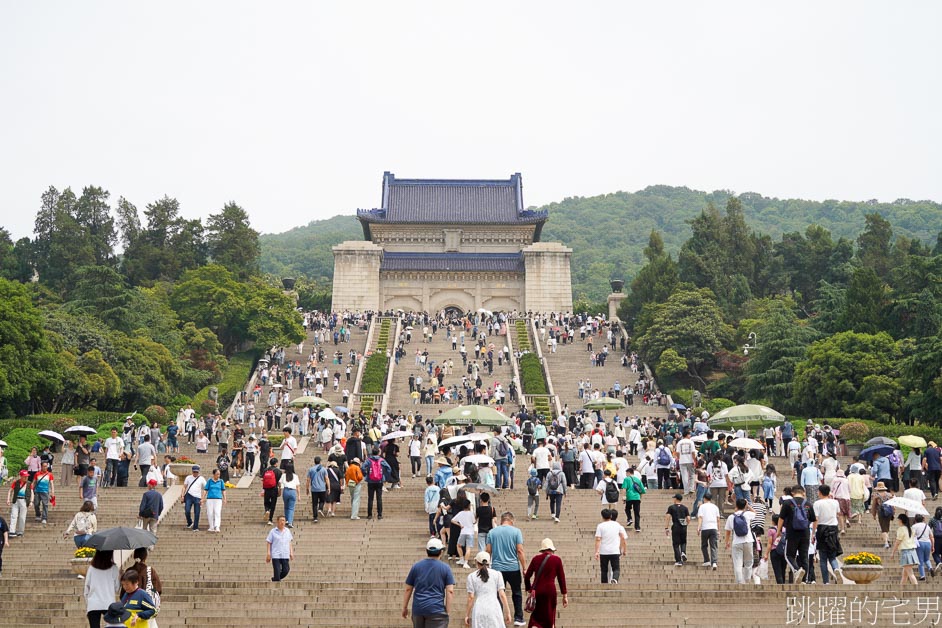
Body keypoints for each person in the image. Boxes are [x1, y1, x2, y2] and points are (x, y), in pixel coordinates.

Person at [402, 538, 456, 628]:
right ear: (441, 552)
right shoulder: (446, 568)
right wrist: (447, 611)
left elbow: (408, 589)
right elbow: (450, 591)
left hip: (418, 609)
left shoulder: (416, 566)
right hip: (437, 609)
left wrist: (405, 607)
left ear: (427, 551)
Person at [486, 512, 526, 627]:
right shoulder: (516, 531)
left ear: (501, 520)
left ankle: (498, 618)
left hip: (497, 569)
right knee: (517, 592)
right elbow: (520, 550)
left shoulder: (492, 532)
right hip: (513, 567)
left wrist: (486, 566)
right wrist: (524, 567)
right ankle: (518, 617)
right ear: (512, 521)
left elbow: (488, 550)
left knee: (498, 594)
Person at [524, 538, 567, 628]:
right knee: (550, 613)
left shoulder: (535, 559)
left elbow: (527, 576)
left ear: (542, 549)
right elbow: (561, 578)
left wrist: (529, 588)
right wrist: (564, 595)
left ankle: (535, 625)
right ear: (552, 549)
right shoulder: (557, 560)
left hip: (537, 590)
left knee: (536, 615)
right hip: (550, 590)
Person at [776, 485, 815, 583]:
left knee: (789, 555)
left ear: (792, 493)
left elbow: (781, 518)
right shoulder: (809, 504)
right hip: (805, 534)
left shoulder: (787, 503)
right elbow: (814, 520)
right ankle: (805, 580)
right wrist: (813, 533)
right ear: (803, 493)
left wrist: (778, 531)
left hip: (792, 533)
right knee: (804, 557)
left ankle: (797, 570)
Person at [464, 551, 511, 628]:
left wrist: (467, 615)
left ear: (476, 562)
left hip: (479, 608)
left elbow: (471, 597)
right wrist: (508, 612)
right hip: (494, 607)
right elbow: (502, 594)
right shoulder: (497, 574)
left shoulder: (471, 576)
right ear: (489, 562)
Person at [813, 485, 843, 585]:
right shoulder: (835, 502)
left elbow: (816, 519)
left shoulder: (817, 503)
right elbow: (839, 514)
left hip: (822, 529)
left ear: (820, 492)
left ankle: (826, 581)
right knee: (832, 556)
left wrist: (813, 532)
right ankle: (835, 568)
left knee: (823, 557)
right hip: (833, 528)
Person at [84, 550, 119, 628]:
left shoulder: (91, 568)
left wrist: (88, 604)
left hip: (93, 604)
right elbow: (117, 588)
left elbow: (86, 588)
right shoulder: (114, 568)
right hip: (109, 603)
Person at [724, 497, 756, 584]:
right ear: (744, 505)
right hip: (748, 541)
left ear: (736, 505)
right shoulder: (747, 514)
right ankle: (747, 580)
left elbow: (728, 532)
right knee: (748, 562)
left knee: (738, 563)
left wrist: (727, 542)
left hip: (737, 542)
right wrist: (748, 506)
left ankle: (739, 582)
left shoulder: (731, 517)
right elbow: (754, 513)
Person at [594, 508, 627, 584]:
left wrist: (596, 552)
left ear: (602, 516)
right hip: (614, 551)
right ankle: (615, 579)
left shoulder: (600, 526)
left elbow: (598, 539)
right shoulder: (617, 525)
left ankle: (604, 583)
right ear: (611, 516)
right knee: (616, 568)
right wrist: (623, 549)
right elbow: (622, 537)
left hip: (603, 551)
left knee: (604, 570)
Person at [132, 548, 161, 627]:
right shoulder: (150, 571)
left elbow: (123, 594)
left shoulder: (129, 571)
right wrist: (150, 590)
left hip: (132, 609)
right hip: (147, 606)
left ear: (134, 556)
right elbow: (158, 589)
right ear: (145, 557)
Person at [890, 513, 920, 585]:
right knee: (905, 575)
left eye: (898, 520)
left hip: (906, 552)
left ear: (900, 520)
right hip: (912, 551)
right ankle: (901, 591)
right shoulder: (911, 529)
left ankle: (916, 590)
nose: (897, 522)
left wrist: (892, 553)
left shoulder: (901, 529)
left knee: (910, 574)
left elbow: (898, 542)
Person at [365, 448, 391, 520]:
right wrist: (385, 476)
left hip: (370, 481)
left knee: (370, 498)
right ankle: (379, 514)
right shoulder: (382, 460)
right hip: (379, 481)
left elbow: (362, 467)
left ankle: (369, 514)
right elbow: (389, 468)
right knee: (379, 498)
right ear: (379, 453)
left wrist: (366, 474)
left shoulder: (369, 460)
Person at [266, 515, 294, 582]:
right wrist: (268, 553)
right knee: (277, 574)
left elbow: (289, 542)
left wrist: (291, 552)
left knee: (286, 570)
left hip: (285, 554)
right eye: (281, 520)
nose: (282, 522)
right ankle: (276, 579)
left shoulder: (287, 531)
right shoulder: (273, 531)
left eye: (284, 520)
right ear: (277, 522)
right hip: (276, 555)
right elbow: (269, 542)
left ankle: (275, 578)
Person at [665, 493, 691, 567]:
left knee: (676, 544)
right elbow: (688, 518)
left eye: (674, 498)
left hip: (676, 526)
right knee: (683, 542)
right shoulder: (685, 508)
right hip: (683, 526)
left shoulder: (671, 507)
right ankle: (683, 552)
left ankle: (678, 560)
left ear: (676, 499)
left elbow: (667, 517)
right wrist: (686, 524)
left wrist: (666, 528)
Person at [696, 492, 720, 570]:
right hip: (714, 528)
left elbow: (700, 517)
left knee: (704, 545)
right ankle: (714, 562)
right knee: (714, 546)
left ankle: (707, 560)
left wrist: (698, 527)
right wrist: (718, 529)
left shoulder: (702, 507)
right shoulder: (715, 507)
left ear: (704, 498)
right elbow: (718, 519)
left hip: (705, 528)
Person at [7, 470, 32, 537]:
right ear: (21, 476)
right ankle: (12, 531)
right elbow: (10, 490)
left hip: (24, 500)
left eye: (27, 476)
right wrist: (8, 499)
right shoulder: (16, 482)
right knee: (14, 515)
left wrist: (31, 501)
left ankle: (20, 531)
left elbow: (32, 493)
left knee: (22, 517)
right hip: (16, 500)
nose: (26, 478)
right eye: (24, 476)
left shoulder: (29, 483)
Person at [180, 465, 206, 532]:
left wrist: (203, 498)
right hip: (189, 496)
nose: (195, 473)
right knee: (187, 510)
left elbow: (206, 488)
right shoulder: (188, 477)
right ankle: (189, 522)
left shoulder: (201, 478)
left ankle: (195, 527)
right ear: (192, 471)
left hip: (197, 497)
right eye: (194, 472)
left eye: (196, 472)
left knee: (197, 512)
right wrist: (182, 496)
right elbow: (184, 487)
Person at [622, 466, 645, 532]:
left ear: (629, 473)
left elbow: (624, 488)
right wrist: (640, 498)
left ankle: (629, 519)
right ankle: (637, 527)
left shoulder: (627, 479)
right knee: (637, 512)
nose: (626, 474)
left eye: (626, 473)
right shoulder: (638, 480)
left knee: (627, 509)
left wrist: (624, 496)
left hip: (629, 497)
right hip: (637, 497)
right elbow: (642, 491)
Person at [30, 461, 55, 525]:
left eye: (46, 466)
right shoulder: (37, 474)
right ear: (41, 466)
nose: (45, 467)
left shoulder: (50, 474)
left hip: (45, 491)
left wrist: (52, 492)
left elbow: (51, 483)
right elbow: (34, 482)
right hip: (37, 491)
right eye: (44, 466)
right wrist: (31, 490)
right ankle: (38, 514)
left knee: (45, 505)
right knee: (36, 504)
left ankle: (44, 518)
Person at [305, 456, 328, 523]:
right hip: (322, 488)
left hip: (314, 489)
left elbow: (308, 480)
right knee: (322, 500)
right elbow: (326, 479)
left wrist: (307, 488)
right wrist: (328, 487)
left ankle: (315, 517)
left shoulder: (311, 469)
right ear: (320, 461)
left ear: (314, 461)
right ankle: (320, 508)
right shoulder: (323, 469)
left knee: (314, 503)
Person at [261, 458, 282, 525]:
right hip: (274, 489)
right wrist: (279, 489)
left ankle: (267, 510)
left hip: (266, 489)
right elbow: (279, 482)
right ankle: (270, 519)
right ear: (276, 463)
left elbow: (262, 479)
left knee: (266, 502)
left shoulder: (265, 470)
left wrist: (263, 489)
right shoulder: (278, 471)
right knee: (273, 504)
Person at [280, 463, 301, 528]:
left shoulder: (283, 475)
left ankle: (286, 519)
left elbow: (280, 483)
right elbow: (298, 486)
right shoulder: (295, 476)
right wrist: (299, 495)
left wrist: (280, 490)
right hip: (292, 492)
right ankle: (290, 522)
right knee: (291, 508)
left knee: (286, 506)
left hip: (285, 491)